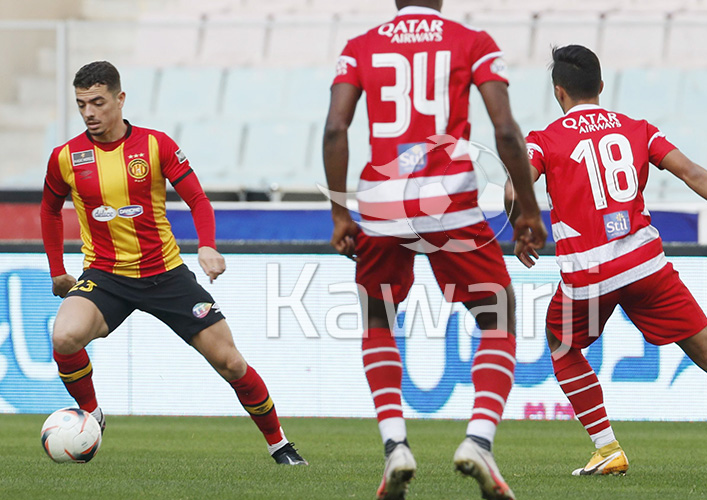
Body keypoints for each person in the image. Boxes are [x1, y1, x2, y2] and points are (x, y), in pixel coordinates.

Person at [505, 45, 707, 477]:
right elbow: (691, 172)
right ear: (601, 87)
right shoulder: (637, 129)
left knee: (561, 344)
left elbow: (514, 190)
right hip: (646, 265)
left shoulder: (543, 141)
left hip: (589, 274)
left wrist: (524, 224)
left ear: (558, 92)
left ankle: (607, 447)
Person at [323, 1, 546, 498]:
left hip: (381, 201)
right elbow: (505, 129)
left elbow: (336, 127)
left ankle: (395, 446)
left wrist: (341, 213)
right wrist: (528, 209)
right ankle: (479, 440)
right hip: (449, 200)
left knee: (378, 319)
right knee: (499, 314)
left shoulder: (361, 46)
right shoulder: (472, 41)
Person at [40, 61, 307, 466]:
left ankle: (280, 444)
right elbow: (49, 209)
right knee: (64, 337)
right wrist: (58, 269)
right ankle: (92, 415)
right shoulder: (66, 157)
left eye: (97, 102)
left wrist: (207, 246)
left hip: (165, 274)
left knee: (230, 362)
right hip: (105, 276)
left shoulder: (155, 145)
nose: (90, 113)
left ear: (120, 99)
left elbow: (198, 199)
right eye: (81, 105)